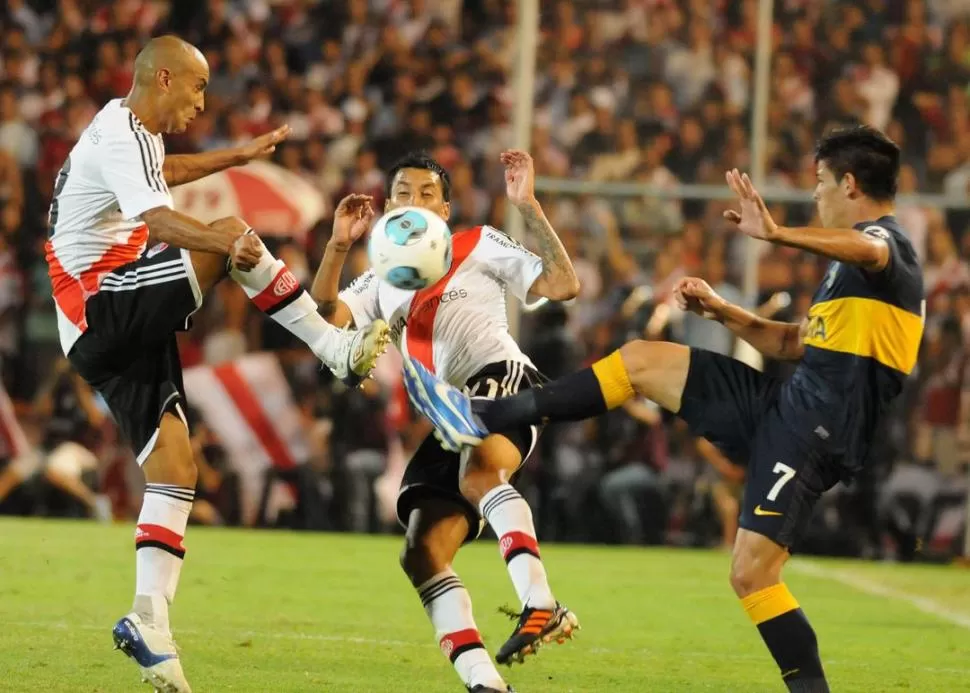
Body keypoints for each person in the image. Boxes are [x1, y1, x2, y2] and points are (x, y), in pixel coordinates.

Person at [402, 125, 924, 693]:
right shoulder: (847, 269)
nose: (816, 194)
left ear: (850, 184)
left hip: (818, 427)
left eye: (822, 182)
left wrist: (774, 233)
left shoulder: (885, 243)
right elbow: (794, 344)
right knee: (643, 361)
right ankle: (487, 415)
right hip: (788, 401)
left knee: (752, 575)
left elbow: (872, 249)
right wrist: (724, 312)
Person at [45, 36, 389, 693]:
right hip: (101, 302)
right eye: (199, 89)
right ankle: (332, 346)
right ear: (165, 78)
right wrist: (231, 243)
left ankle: (152, 627)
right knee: (228, 233)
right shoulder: (124, 134)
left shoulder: (128, 130)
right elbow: (161, 219)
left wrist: (235, 154)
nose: (203, 103)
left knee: (176, 468)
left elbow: (163, 176)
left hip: (99, 323)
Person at [311, 151, 580, 692]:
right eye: (403, 193)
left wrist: (527, 206)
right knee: (421, 552)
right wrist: (338, 245)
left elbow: (562, 284)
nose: (414, 202)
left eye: (427, 193)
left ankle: (540, 600)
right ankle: (485, 682)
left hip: (503, 380)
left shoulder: (477, 243)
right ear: (388, 207)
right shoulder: (380, 279)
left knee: (479, 475)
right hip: (450, 414)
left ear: (447, 208)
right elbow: (329, 317)